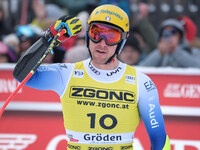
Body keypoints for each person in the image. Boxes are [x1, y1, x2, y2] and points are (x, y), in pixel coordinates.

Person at [13, 4, 171, 150]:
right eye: (97, 33)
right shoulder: (67, 74)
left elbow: (159, 140)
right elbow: (21, 74)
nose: (102, 43)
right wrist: (50, 37)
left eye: (111, 37)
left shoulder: (141, 83)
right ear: (88, 35)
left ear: (122, 40)